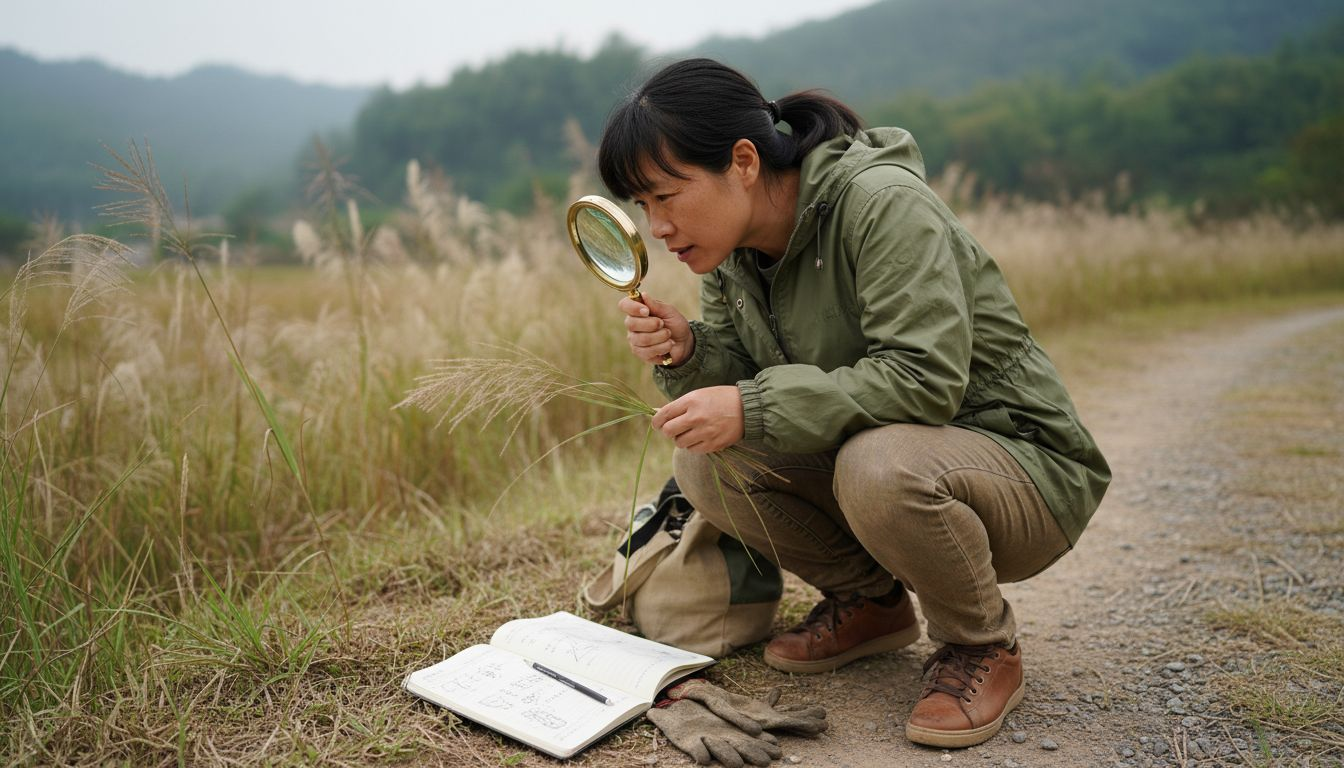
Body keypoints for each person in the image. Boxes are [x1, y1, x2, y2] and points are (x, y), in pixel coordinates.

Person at [597, 58, 1110, 750]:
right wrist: (691, 351)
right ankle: (871, 603)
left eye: (667, 195)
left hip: (1024, 469)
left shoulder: (882, 204)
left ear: (743, 161)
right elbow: (752, 388)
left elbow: (925, 378)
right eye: (642, 207)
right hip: (893, 466)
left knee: (878, 464)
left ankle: (980, 643)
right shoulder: (732, 255)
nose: (657, 226)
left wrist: (751, 406)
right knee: (704, 461)